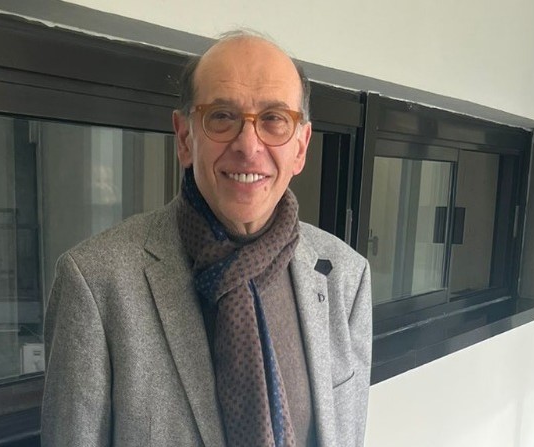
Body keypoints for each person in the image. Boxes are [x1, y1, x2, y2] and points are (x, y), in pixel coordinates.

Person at [42, 30, 372, 447]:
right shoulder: (96, 283)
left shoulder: (346, 277)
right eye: (221, 116)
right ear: (185, 138)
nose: (248, 146)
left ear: (301, 147)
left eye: (274, 119)